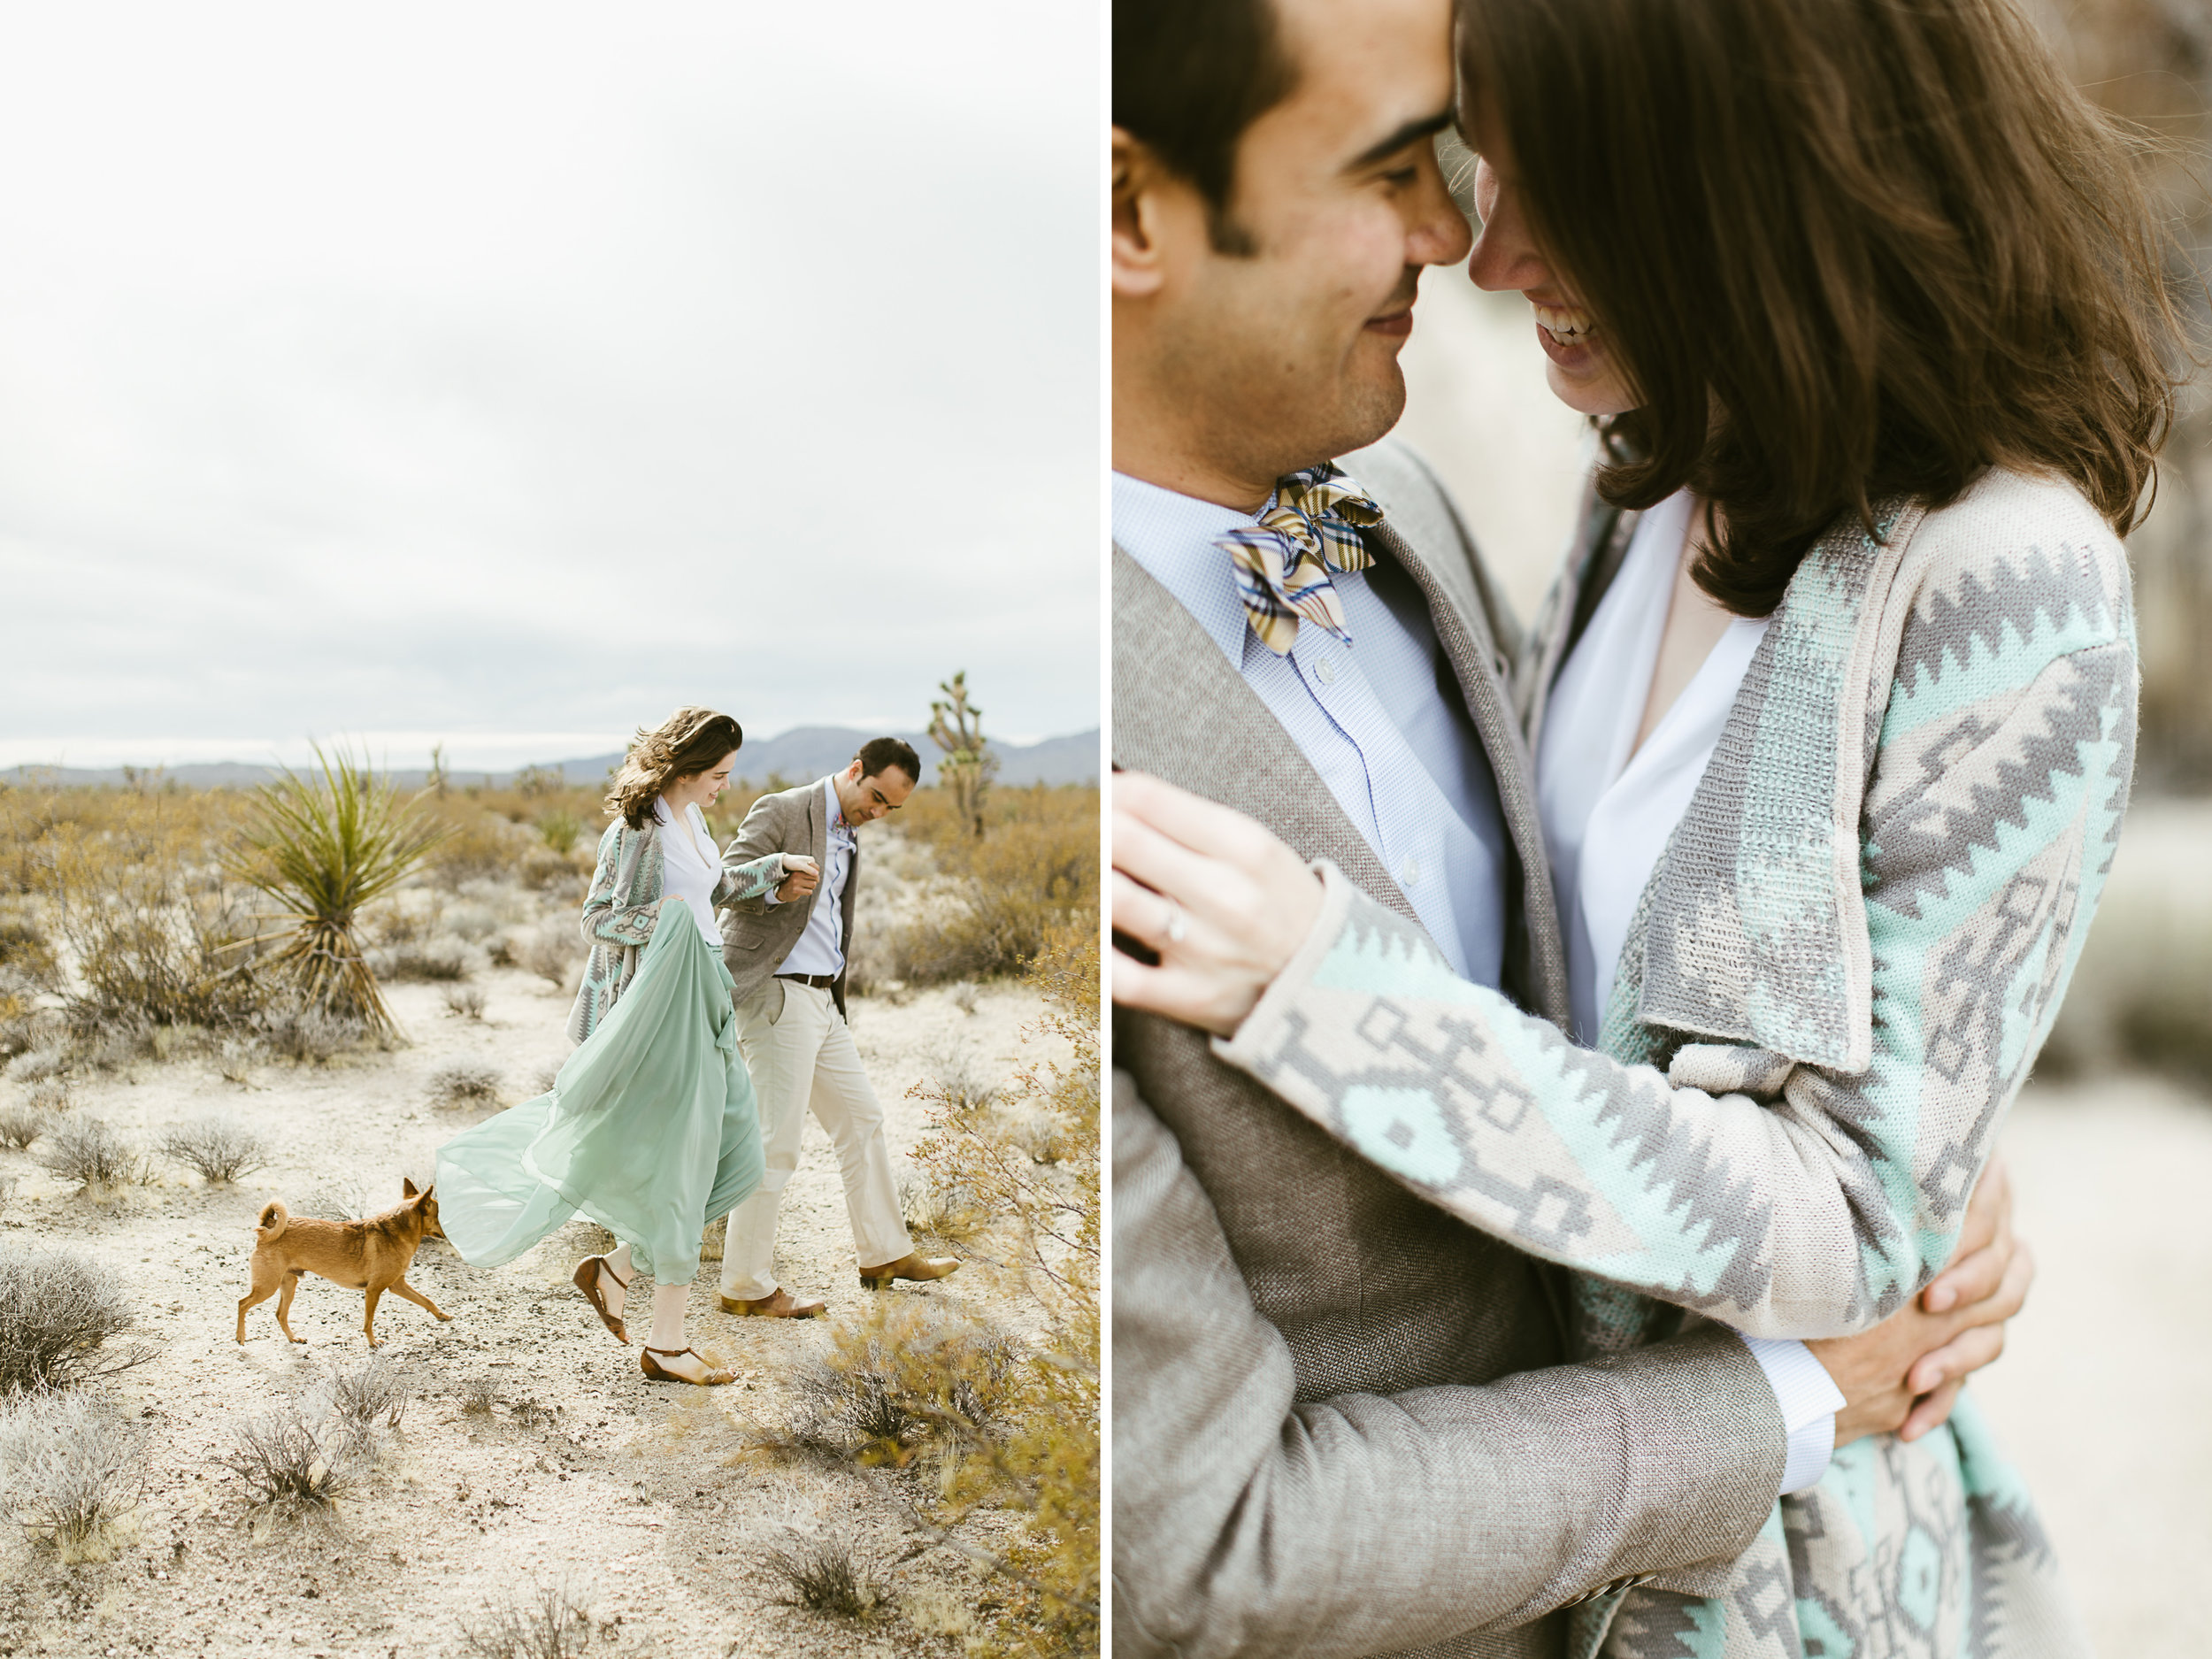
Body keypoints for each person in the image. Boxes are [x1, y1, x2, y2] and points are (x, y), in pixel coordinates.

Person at [1113, 0, 2181, 1652]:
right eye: (1471, 165)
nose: (1486, 251)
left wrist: (1338, 1001)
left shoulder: (2008, 581)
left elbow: (1846, 1204)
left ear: (1742, 185)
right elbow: (1634, 994)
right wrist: (1907, 1132)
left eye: (1562, 191)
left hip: (1779, 1585)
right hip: (1536, 1537)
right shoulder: (1657, 483)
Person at [435, 707, 788, 1387]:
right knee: (683, 1167)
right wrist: (666, 918)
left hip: (705, 997)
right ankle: (667, 1342)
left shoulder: (695, 821)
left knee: (736, 1152)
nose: (724, 785)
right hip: (655, 1017)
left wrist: (770, 872)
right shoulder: (637, 830)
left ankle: (617, 1266)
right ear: (686, 767)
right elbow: (598, 918)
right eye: (718, 773)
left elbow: (709, 888)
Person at [710, 737, 958, 1317]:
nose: (878, 813)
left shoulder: (850, 832)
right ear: (854, 771)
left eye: (890, 809)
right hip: (777, 993)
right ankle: (744, 1286)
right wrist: (773, 885)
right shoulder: (782, 809)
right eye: (875, 797)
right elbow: (721, 883)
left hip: (822, 1000)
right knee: (776, 1143)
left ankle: (885, 1253)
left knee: (861, 1118)